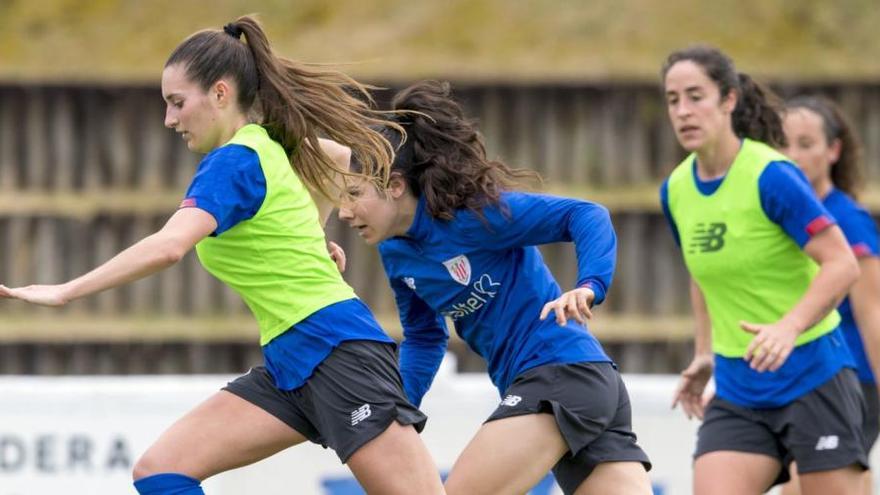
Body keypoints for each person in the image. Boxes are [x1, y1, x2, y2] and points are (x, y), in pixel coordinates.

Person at [0, 16, 445, 495]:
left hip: (337, 349)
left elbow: (170, 246)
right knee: (162, 470)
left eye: (177, 103)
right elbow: (335, 157)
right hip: (291, 362)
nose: (169, 120)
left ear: (219, 94)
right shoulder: (268, 145)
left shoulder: (232, 161)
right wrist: (309, 234)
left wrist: (66, 291)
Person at [338, 80, 652, 495]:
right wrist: (398, 410)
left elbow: (586, 214)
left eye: (354, 194)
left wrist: (589, 285)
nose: (343, 212)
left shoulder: (475, 216)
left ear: (395, 186)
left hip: (560, 375)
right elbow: (425, 336)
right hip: (582, 386)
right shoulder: (395, 253)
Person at [660, 45, 867, 495]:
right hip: (739, 390)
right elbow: (701, 272)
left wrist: (788, 327)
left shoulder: (770, 174)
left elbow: (842, 263)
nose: (683, 111)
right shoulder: (675, 189)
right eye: (673, 99)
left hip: (814, 374)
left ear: (729, 100)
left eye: (696, 96)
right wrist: (705, 350)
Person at [779, 95, 880, 495]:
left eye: (806, 144)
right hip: (804, 378)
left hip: (851, 382)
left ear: (833, 150)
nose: (792, 155)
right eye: (783, 144)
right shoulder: (782, 214)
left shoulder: (847, 220)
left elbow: (873, 313)